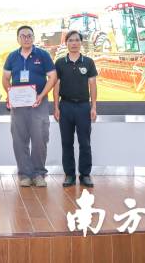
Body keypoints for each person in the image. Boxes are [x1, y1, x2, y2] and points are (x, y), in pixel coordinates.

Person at [2, 25, 57, 187]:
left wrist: (41, 95)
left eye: (29, 35)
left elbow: (53, 77)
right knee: (19, 140)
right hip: (18, 106)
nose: (26, 38)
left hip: (38, 103)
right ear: (18, 38)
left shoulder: (43, 55)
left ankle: (38, 174)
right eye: (23, 36)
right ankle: (25, 175)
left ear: (33, 38)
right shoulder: (12, 56)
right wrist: (10, 94)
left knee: (40, 139)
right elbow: (5, 78)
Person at [53, 30, 98, 188]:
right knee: (67, 142)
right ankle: (70, 175)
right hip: (65, 106)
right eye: (71, 40)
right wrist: (56, 107)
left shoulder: (88, 62)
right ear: (66, 43)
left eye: (77, 40)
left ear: (81, 42)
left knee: (85, 142)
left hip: (83, 107)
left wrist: (93, 106)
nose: (74, 43)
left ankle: (85, 175)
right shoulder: (60, 63)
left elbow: (93, 85)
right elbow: (56, 86)